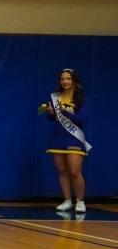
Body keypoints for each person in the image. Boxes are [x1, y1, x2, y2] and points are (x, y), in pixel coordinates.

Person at [42, 68, 89, 214]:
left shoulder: (81, 99)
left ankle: (80, 202)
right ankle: (67, 200)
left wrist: (63, 111)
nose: (65, 81)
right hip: (58, 137)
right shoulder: (56, 98)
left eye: (68, 78)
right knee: (62, 171)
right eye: (62, 79)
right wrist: (50, 113)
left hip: (74, 137)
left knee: (75, 171)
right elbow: (52, 120)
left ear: (74, 80)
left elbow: (81, 119)